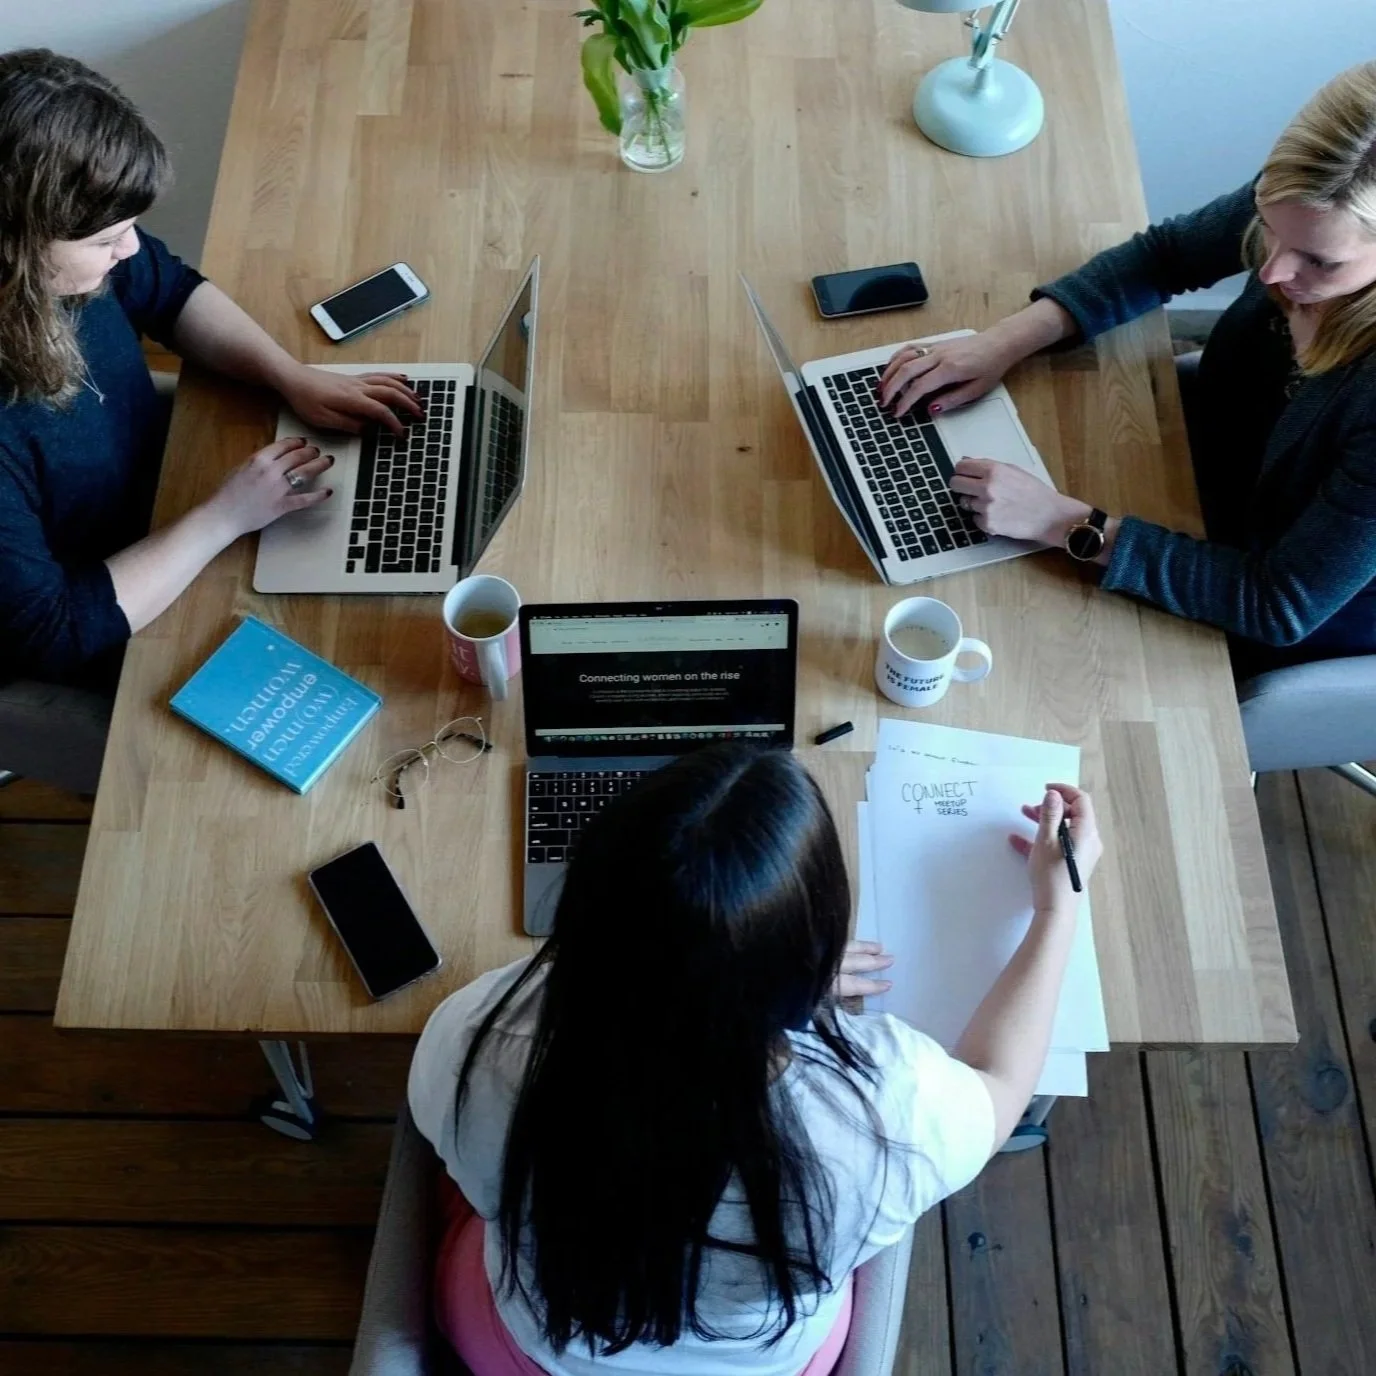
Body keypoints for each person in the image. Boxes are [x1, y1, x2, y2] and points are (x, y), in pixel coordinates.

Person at [408, 744, 1102, 1376]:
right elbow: (1001, 1083)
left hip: (528, 1350)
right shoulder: (888, 1112)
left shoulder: (473, 1039)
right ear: (815, 955)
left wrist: (732, 972)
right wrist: (1056, 907)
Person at [879, 60, 1376, 674]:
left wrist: (1064, 522)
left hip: (1279, 588)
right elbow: (1166, 256)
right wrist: (1002, 342)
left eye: (1319, 263)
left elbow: (1277, 603)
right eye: (1269, 230)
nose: (1271, 271)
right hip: (1208, 463)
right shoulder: (1308, 201)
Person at [0, 49, 422, 689]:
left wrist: (287, 375)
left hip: (179, 493)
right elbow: (54, 634)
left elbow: (169, 292)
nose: (131, 248)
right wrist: (225, 516)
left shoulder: (59, 271)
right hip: (112, 606)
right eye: (104, 240)